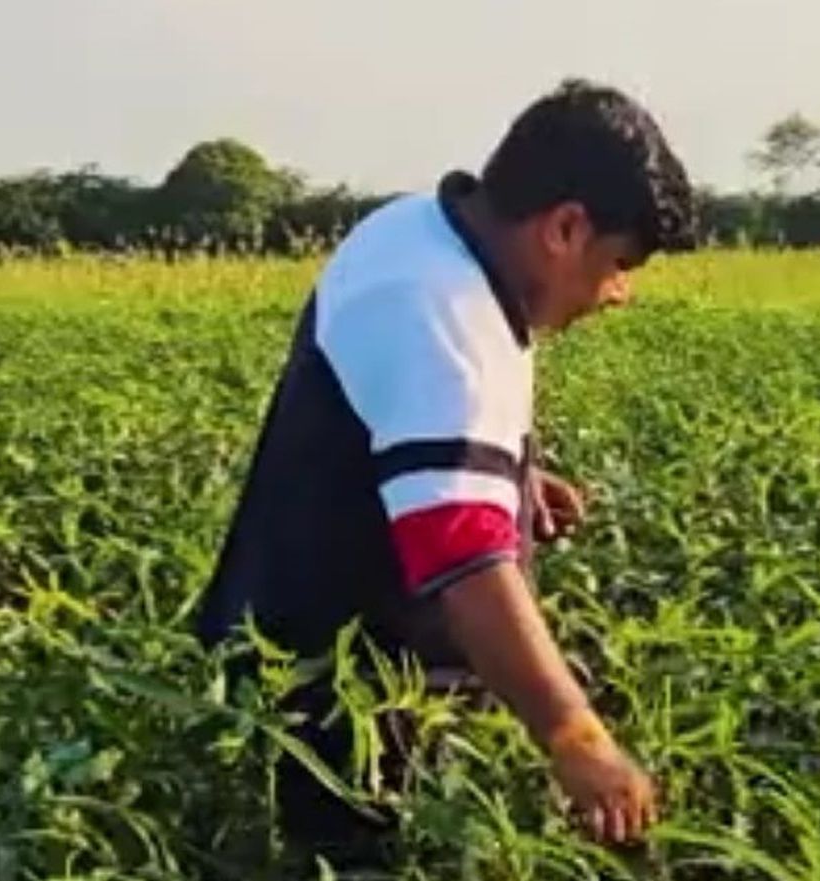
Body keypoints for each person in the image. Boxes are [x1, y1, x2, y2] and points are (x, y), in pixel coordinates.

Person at [192, 77, 697, 861]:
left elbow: (394, 411)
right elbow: (465, 560)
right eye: (619, 262)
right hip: (341, 703)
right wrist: (576, 734)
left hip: (344, 661)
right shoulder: (443, 315)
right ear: (564, 227)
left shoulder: (422, 233)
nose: (618, 294)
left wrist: (509, 478)